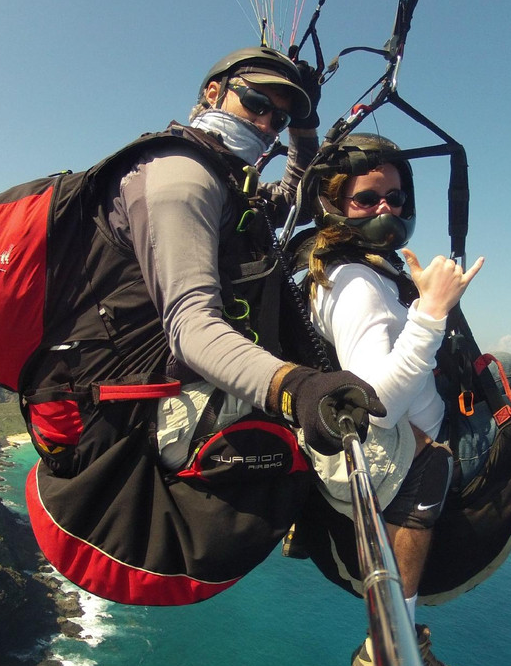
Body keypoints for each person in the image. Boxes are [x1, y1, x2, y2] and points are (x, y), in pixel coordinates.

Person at [299, 134, 511, 666]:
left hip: (425, 412)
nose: (386, 209)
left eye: (395, 197)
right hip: (428, 446)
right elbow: (379, 402)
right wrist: (431, 311)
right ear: (335, 205)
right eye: (368, 198)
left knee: (505, 367)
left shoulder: (340, 265)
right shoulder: (358, 286)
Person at [102, 46, 386, 459]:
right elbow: (192, 328)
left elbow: (297, 199)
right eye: (255, 103)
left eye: (279, 118)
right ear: (213, 93)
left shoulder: (230, 184)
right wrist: (295, 388)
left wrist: (303, 130)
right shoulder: (184, 178)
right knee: (393, 451)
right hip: (157, 404)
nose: (266, 123)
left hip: (199, 381)